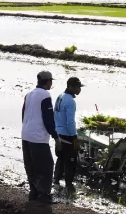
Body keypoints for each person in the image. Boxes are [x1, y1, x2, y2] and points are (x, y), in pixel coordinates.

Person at [22, 70, 59, 204]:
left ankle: (34, 192)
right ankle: (44, 195)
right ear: (48, 81)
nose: (51, 84)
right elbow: (48, 120)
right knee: (46, 166)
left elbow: (23, 115)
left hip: (26, 134)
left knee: (31, 165)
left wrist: (27, 129)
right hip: (38, 137)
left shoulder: (29, 95)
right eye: (51, 81)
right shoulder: (45, 95)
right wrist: (56, 136)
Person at [54, 77, 84, 194]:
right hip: (67, 135)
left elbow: (55, 115)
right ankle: (69, 185)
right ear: (71, 87)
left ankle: (56, 180)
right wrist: (75, 136)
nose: (79, 89)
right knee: (70, 161)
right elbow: (70, 121)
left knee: (60, 158)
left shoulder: (60, 97)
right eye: (77, 87)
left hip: (58, 132)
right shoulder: (70, 101)